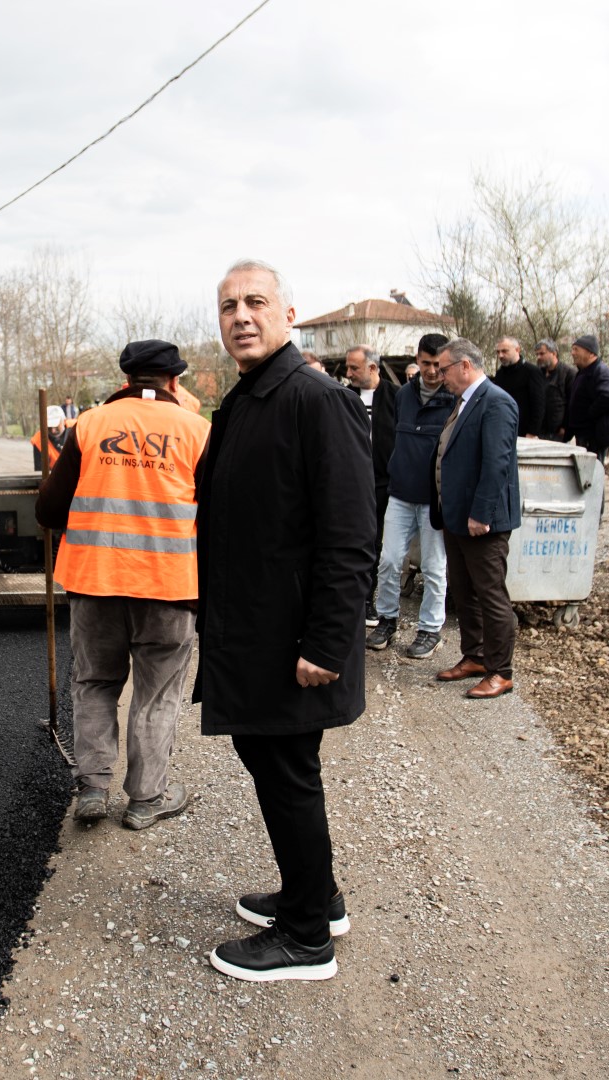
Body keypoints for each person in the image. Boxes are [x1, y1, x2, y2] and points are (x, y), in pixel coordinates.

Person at [195, 260, 374, 983]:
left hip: (292, 637)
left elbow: (350, 533)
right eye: (228, 305)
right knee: (273, 761)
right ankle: (316, 899)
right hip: (251, 629)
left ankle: (306, 939)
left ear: (288, 313)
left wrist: (329, 641)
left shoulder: (314, 399)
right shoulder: (249, 400)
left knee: (285, 767)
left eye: (256, 302)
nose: (241, 315)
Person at [35, 340, 212, 829]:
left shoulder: (89, 425)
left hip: (95, 584)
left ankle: (92, 789)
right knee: (156, 694)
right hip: (170, 589)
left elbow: (48, 511)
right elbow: (220, 519)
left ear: (125, 380)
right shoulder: (199, 432)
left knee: (94, 682)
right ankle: (145, 799)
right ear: (175, 381)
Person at [431, 339, 521, 700]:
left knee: (490, 595)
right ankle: (476, 656)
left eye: (444, 369)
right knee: (464, 591)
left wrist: (480, 513)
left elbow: (497, 463)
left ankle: (501, 671)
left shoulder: (496, 402)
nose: (439, 376)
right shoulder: (464, 402)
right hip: (456, 518)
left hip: (481, 522)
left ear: (465, 366)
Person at [368, 334, 456, 660]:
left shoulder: (453, 399)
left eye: (438, 364)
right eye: (426, 363)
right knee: (389, 560)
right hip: (401, 494)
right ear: (417, 360)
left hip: (434, 499)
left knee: (434, 567)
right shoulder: (403, 395)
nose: (432, 371)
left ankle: (430, 629)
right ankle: (387, 619)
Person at [344, 346, 396, 628]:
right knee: (358, 542)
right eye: (348, 367)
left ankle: (372, 600)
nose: (348, 373)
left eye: (354, 368)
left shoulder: (395, 398)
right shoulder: (345, 397)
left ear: (373, 368)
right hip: (353, 483)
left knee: (380, 547)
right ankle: (358, 600)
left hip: (384, 482)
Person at [564, 334, 609, 461]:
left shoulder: (600, 371)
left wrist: (590, 414)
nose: (572, 353)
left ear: (590, 353)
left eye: (576, 349)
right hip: (584, 434)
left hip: (594, 436)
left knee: (593, 474)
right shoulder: (583, 372)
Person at [490, 336, 546, 438]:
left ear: (517, 350)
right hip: (503, 429)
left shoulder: (532, 372)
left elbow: (538, 405)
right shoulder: (500, 374)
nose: (500, 355)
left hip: (525, 431)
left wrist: (532, 432)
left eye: (504, 351)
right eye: (498, 352)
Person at [535, 339, 574, 441]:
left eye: (542, 354)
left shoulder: (568, 374)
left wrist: (565, 427)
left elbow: (572, 403)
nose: (539, 357)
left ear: (554, 353)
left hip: (558, 432)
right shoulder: (538, 374)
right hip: (540, 430)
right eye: (537, 354)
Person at [30, 405, 69, 471]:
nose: (53, 430)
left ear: (64, 421)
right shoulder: (39, 441)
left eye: (56, 426)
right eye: (49, 427)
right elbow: (40, 472)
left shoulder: (77, 430)